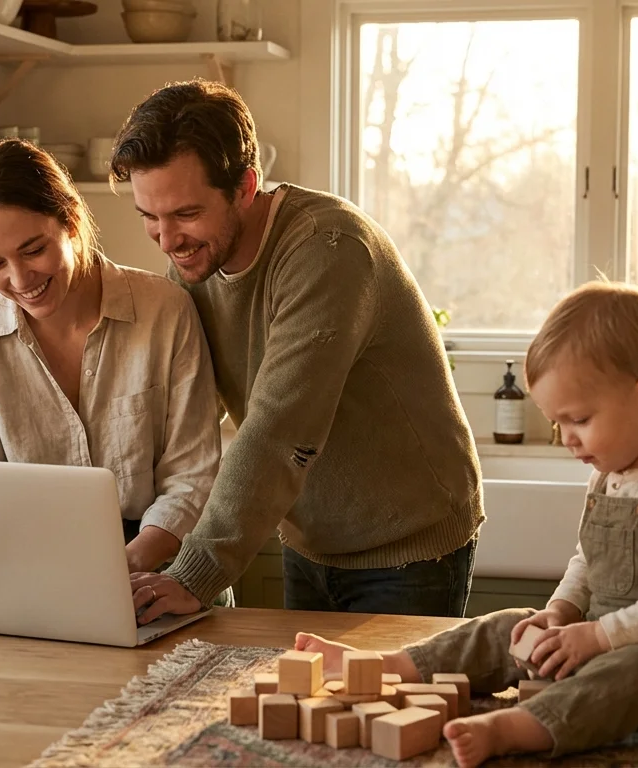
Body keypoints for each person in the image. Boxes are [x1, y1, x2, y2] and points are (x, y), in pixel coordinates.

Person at [296, 281, 638, 766]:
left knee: (636, 670)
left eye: (579, 420)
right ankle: (391, 667)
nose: (567, 439)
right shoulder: (608, 473)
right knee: (510, 627)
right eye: (558, 423)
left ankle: (521, 727)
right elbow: (590, 560)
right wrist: (562, 612)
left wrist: (598, 636)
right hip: (606, 644)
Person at [111, 80, 484, 621]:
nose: (167, 240)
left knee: (388, 707)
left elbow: (280, 429)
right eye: (149, 217)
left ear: (245, 186)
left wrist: (195, 574)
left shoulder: (328, 250)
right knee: (310, 704)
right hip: (309, 539)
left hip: (409, 545)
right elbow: (185, 412)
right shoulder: (197, 258)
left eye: (186, 214)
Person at [0, 139, 221, 577]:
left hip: (167, 567)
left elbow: (193, 473)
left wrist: (128, 562)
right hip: (31, 567)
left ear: (70, 220)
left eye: (34, 250)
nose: (20, 278)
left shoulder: (166, 310)